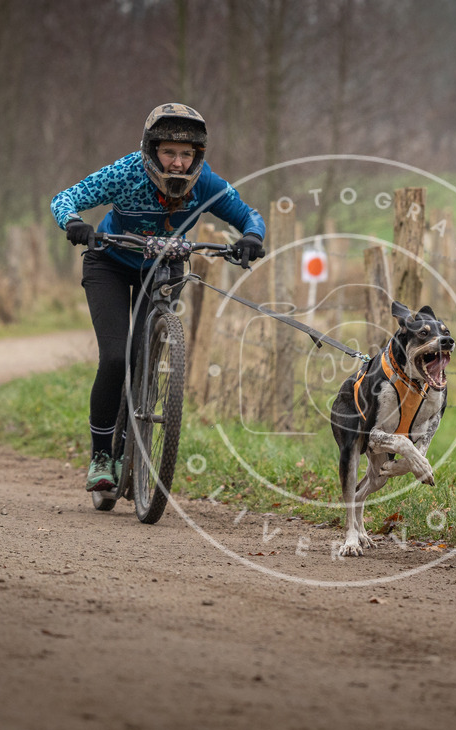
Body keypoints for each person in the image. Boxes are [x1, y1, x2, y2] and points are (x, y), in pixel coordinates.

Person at [51, 103, 266, 493]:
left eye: (187, 154)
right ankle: (102, 455)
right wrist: (75, 223)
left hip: (164, 267)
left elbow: (249, 214)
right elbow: (64, 198)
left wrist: (252, 237)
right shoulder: (125, 172)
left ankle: (131, 452)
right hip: (109, 266)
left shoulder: (206, 184)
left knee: (142, 360)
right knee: (117, 358)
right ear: (151, 151)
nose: (179, 163)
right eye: (169, 152)